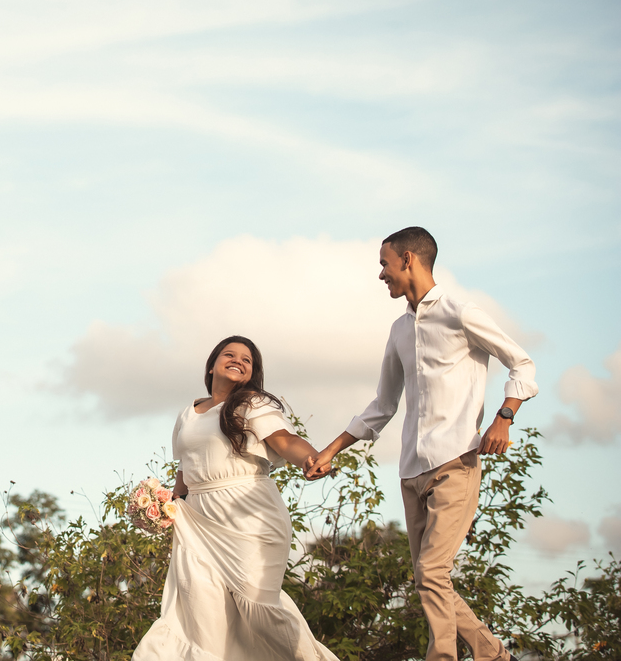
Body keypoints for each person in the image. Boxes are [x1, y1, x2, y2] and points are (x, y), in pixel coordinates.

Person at [306, 227, 536, 661]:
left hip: (456, 461)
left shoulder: (460, 313)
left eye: (384, 264)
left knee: (432, 571)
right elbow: (382, 405)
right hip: (411, 471)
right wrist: (331, 450)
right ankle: (496, 655)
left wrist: (504, 418)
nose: (381, 275)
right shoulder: (398, 330)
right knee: (430, 580)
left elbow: (522, 363)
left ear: (408, 259)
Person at [133, 335, 338, 661]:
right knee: (200, 613)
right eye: (230, 354)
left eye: (247, 360)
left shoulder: (253, 405)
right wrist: (165, 506)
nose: (238, 360)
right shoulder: (188, 414)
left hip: (250, 514)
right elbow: (186, 468)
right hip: (196, 522)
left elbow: (285, 441)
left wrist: (310, 458)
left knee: (259, 609)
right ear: (212, 365)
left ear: (252, 373)